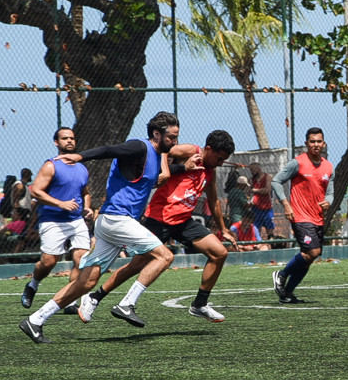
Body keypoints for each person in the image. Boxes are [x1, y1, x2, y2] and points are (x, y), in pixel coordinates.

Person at [20, 112, 182, 343]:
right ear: (157, 134)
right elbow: (109, 150)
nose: (175, 142)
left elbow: (159, 176)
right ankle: (127, 304)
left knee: (86, 282)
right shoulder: (139, 146)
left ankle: (35, 320)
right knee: (165, 256)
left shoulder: (156, 156)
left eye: (176, 137)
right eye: (171, 137)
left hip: (111, 223)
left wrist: (186, 167)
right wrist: (80, 156)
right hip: (117, 219)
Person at [77, 129, 238, 323]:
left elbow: (214, 201)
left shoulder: (210, 171)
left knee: (219, 253)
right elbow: (162, 151)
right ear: (209, 149)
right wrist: (171, 169)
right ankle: (95, 297)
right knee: (137, 264)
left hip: (183, 221)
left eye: (223, 160)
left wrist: (223, 229)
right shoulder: (190, 151)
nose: (220, 163)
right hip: (159, 217)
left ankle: (199, 304)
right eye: (219, 158)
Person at [20, 127, 92, 309]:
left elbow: (85, 192)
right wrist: (61, 204)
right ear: (56, 142)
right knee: (49, 262)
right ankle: (32, 285)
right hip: (52, 220)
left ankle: (70, 300)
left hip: (76, 220)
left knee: (81, 260)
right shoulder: (51, 165)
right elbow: (36, 191)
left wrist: (87, 207)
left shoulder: (82, 168)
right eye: (65, 138)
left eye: (72, 138)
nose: (69, 141)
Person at [271, 127, 334, 304]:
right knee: (313, 251)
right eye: (312, 141)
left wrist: (328, 201)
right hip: (300, 216)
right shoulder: (297, 163)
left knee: (308, 259)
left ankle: (287, 294)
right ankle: (281, 274)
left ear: (324, 143)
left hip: (317, 218)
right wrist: (286, 205)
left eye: (319, 141)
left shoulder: (329, 166)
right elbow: (276, 181)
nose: (316, 144)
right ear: (306, 143)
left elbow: (330, 192)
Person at [248, 161, 275, 240]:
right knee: (256, 229)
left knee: (270, 229)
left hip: (267, 207)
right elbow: (248, 192)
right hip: (256, 208)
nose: (252, 172)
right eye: (251, 170)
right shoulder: (251, 180)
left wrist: (254, 190)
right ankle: (258, 243)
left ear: (259, 169)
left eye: (253, 170)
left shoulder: (268, 177)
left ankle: (271, 243)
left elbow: (267, 190)